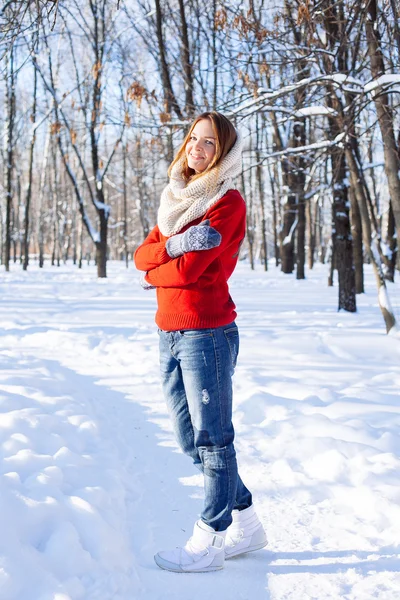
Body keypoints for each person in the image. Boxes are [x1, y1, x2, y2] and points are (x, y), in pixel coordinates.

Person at [134, 112, 267, 573]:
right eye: (194, 137)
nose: (198, 147)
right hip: (168, 332)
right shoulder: (176, 202)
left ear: (224, 152)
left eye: (210, 142)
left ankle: (209, 539)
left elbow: (191, 273)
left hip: (206, 333)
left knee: (213, 440)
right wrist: (173, 247)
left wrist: (159, 271)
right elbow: (141, 256)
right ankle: (247, 523)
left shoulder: (226, 204)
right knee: (190, 439)